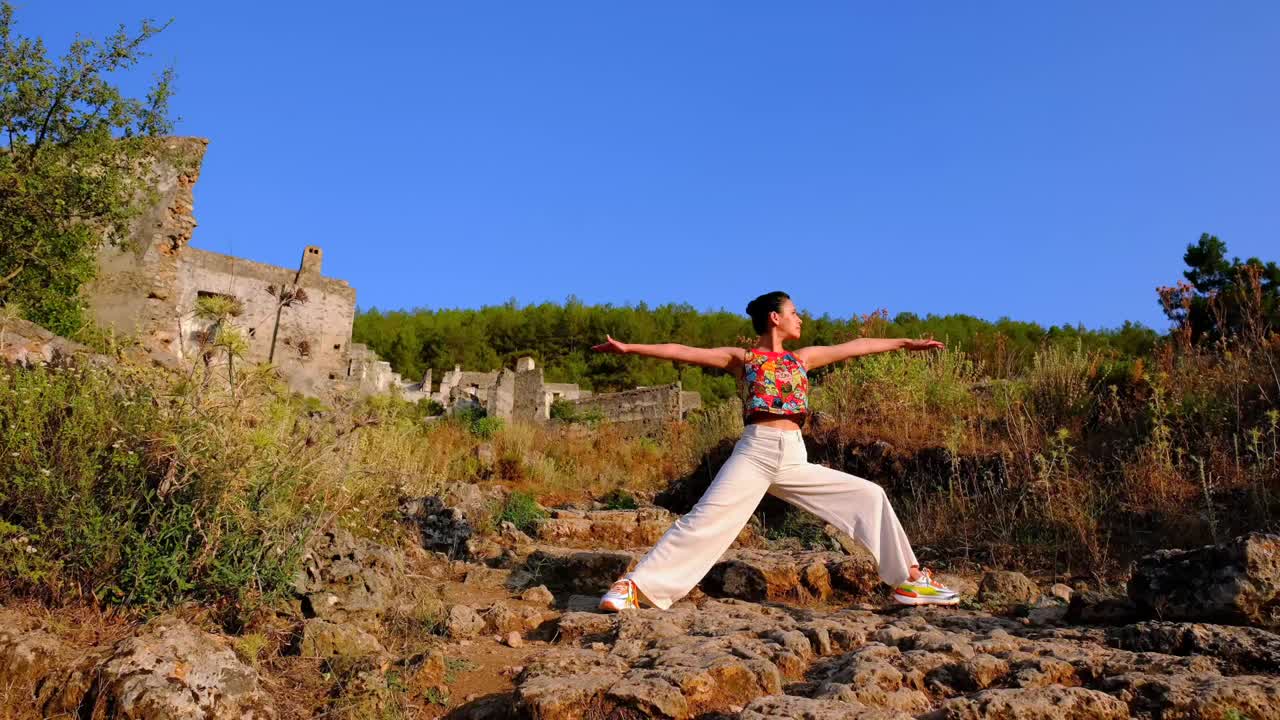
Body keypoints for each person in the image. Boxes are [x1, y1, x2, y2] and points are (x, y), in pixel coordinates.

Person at [593, 291, 959, 612]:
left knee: (869, 496)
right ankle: (633, 587)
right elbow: (686, 351)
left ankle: (910, 579)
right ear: (775, 317)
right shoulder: (744, 359)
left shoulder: (803, 358)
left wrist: (905, 343)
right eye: (794, 312)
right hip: (755, 452)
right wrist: (629, 348)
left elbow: (856, 346)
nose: (800, 318)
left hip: (794, 457)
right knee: (705, 520)